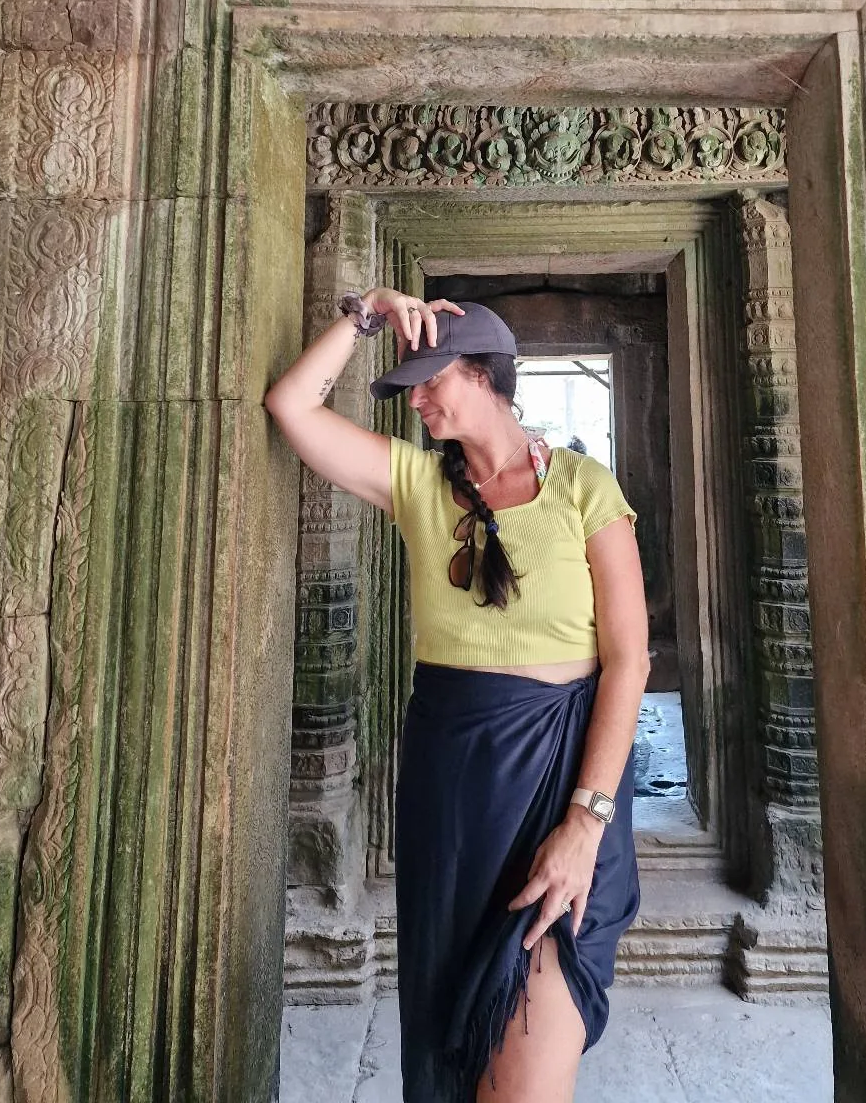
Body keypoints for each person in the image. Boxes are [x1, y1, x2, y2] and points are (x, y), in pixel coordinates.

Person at [265, 290, 648, 1103]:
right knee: (458, 1059)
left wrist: (586, 823)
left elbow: (629, 662)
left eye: (431, 378)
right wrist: (365, 313)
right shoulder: (415, 484)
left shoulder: (583, 489)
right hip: (453, 808)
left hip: (561, 799)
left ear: (485, 376)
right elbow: (289, 406)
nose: (418, 397)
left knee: (523, 1082)